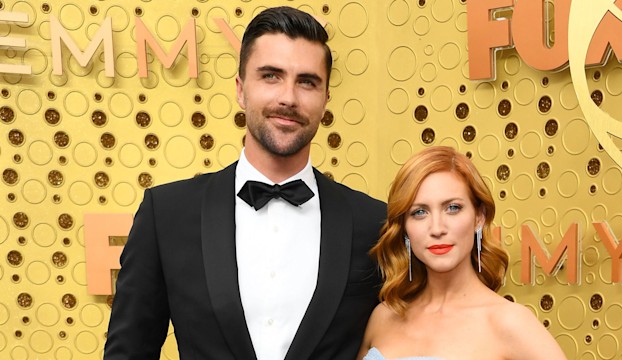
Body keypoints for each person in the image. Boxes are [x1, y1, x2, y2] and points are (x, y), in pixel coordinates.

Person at [104, 6, 386, 360]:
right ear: (240, 89)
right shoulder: (168, 214)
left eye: (307, 81)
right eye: (271, 76)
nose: (288, 97)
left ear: (326, 99)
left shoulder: (374, 222)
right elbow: (129, 352)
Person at [357, 146, 566, 360]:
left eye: (453, 208)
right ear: (405, 227)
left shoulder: (510, 323)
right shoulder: (383, 317)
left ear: (479, 217)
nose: (437, 228)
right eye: (419, 212)